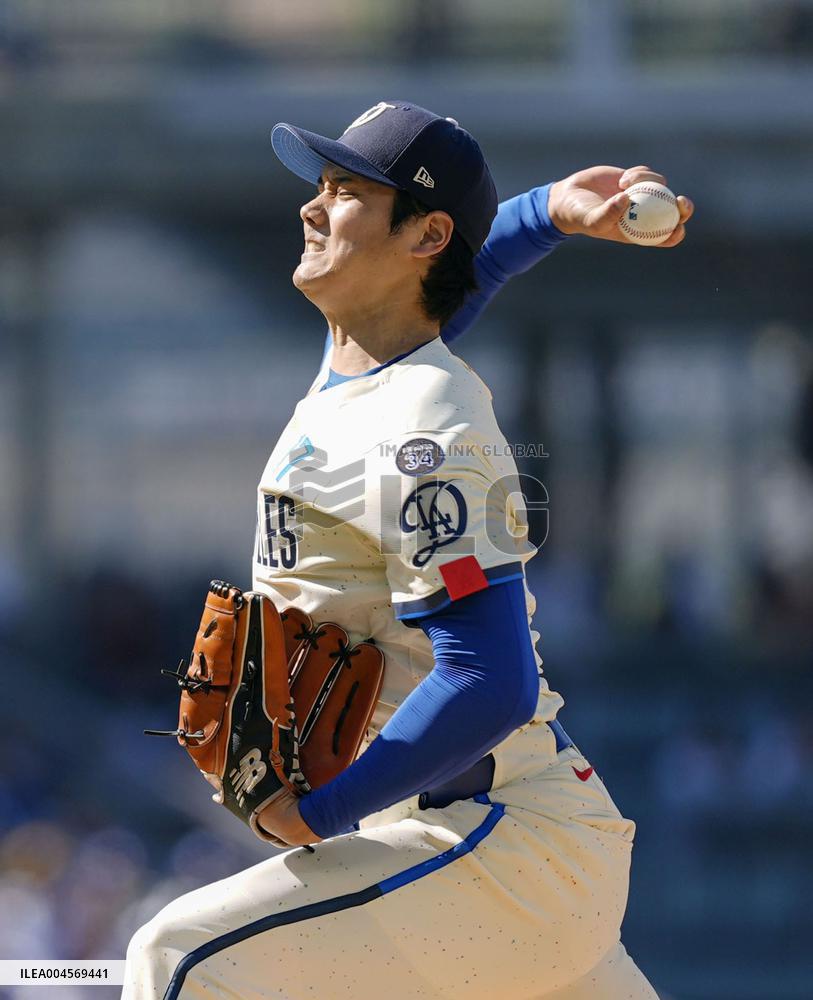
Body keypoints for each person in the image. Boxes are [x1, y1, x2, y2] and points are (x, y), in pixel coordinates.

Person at [123, 100, 693, 999]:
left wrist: (313, 816)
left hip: (494, 848)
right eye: (320, 185)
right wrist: (548, 210)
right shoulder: (364, 365)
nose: (313, 208)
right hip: (496, 848)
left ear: (423, 235)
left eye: (347, 191)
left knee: (177, 961)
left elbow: (488, 680)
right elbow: (455, 267)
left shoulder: (427, 422)